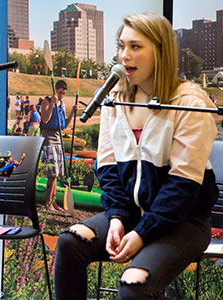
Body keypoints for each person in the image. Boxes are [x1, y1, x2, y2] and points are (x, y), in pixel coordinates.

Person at [54, 13, 218, 300]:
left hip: (184, 221)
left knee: (134, 285)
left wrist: (142, 233)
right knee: (70, 243)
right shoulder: (115, 97)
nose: (124, 56)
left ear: (161, 51)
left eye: (135, 47)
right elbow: (106, 166)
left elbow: (183, 186)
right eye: (121, 46)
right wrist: (117, 217)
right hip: (130, 213)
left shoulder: (189, 102)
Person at [41, 80, 77, 212]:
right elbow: (45, 119)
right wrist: (52, 103)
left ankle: (53, 201)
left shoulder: (62, 104)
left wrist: (73, 112)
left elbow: (64, 125)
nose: (62, 95)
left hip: (58, 140)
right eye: (60, 93)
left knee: (56, 174)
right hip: (48, 139)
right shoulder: (46, 101)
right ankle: (47, 203)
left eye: (64, 93)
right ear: (55, 90)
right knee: (52, 174)